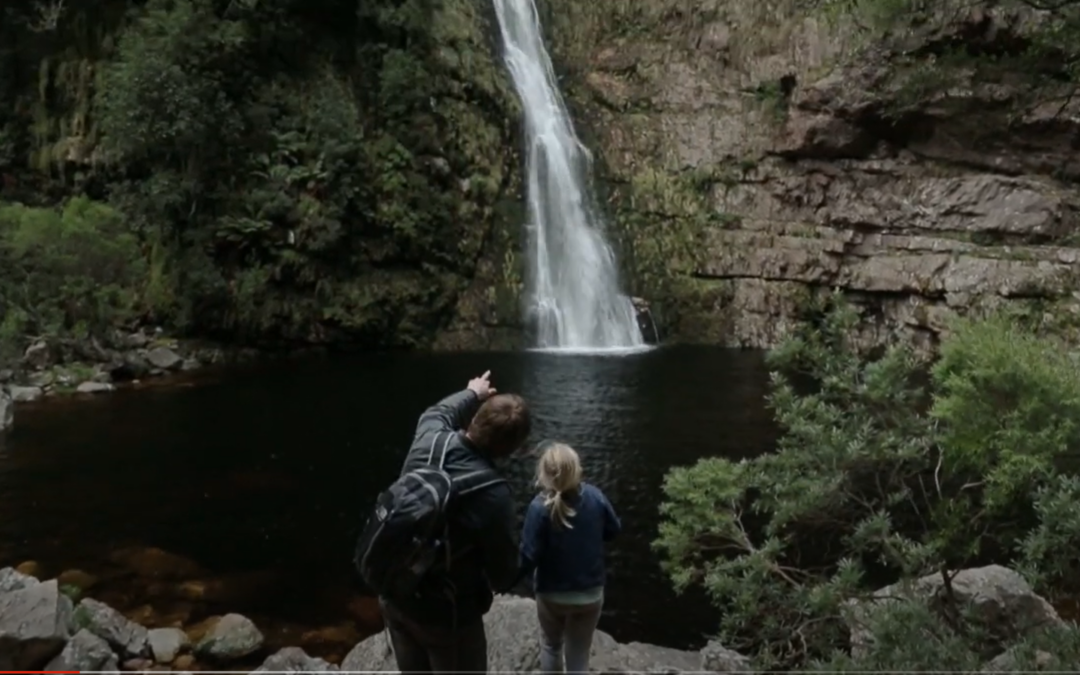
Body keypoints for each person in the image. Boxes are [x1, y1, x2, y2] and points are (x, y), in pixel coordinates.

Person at [380, 370, 531, 674]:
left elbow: (439, 411)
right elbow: (503, 574)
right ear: (508, 449)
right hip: (446, 616)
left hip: (394, 591)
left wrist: (472, 392)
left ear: (473, 418)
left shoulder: (430, 436)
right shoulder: (493, 494)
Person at [519, 443, 622, 675]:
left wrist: (508, 578)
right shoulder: (595, 497)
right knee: (579, 654)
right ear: (577, 470)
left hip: (551, 594)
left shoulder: (538, 508)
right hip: (590, 593)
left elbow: (528, 556)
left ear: (543, 474)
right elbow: (614, 530)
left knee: (551, 646)